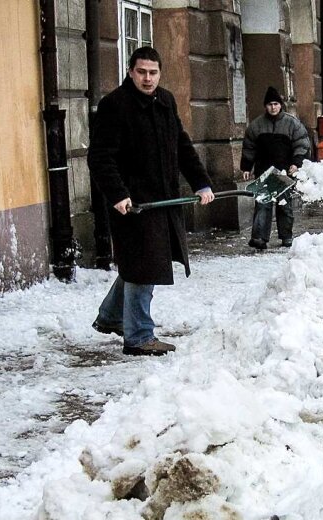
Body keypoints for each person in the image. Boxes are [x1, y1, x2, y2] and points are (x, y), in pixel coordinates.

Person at [87, 46, 215, 356]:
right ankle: (139, 337)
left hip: (163, 200)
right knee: (143, 265)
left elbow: (181, 145)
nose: (147, 78)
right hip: (132, 204)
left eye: (153, 72)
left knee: (139, 262)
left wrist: (200, 182)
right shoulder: (115, 105)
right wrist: (117, 194)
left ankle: (111, 316)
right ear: (130, 71)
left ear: (159, 74)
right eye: (141, 72)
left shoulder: (165, 101)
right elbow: (100, 157)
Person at [241, 86, 310, 250]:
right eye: (270, 104)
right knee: (262, 205)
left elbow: (302, 144)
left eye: (276, 104)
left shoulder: (292, 124)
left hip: (284, 172)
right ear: (265, 106)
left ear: (280, 105)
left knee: (284, 205)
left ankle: (286, 236)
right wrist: (246, 167)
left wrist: (296, 163)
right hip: (264, 172)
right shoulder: (256, 126)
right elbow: (249, 147)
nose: (273, 107)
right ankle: (259, 238)